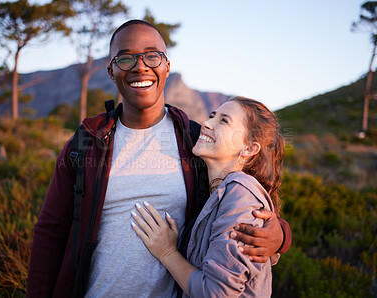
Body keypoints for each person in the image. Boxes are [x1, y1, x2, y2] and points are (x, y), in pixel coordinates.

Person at [27, 20, 291, 297]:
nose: (140, 66)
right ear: (111, 70)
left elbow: (244, 195)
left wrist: (281, 235)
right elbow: (50, 232)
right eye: (126, 58)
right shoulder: (86, 143)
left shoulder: (196, 140)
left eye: (152, 55)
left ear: (166, 66)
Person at [132, 96, 284, 297]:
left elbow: (215, 292)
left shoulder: (241, 195)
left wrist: (167, 253)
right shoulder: (219, 191)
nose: (206, 123)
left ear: (248, 148)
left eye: (224, 121)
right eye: (212, 115)